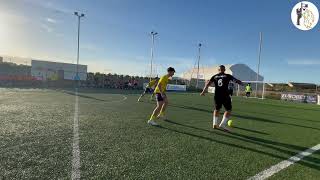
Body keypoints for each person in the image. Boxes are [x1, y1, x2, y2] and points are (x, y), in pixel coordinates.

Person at [200, 65, 243, 131]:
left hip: (217, 95)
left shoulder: (214, 76)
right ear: (224, 70)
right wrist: (241, 83)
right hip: (225, 95)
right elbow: (236, 81)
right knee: (228, 110)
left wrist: (203, 92)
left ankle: (214, 124)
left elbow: (208, 84)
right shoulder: (228, 76)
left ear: (218, 70)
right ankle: (222, 124)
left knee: (217, 109)